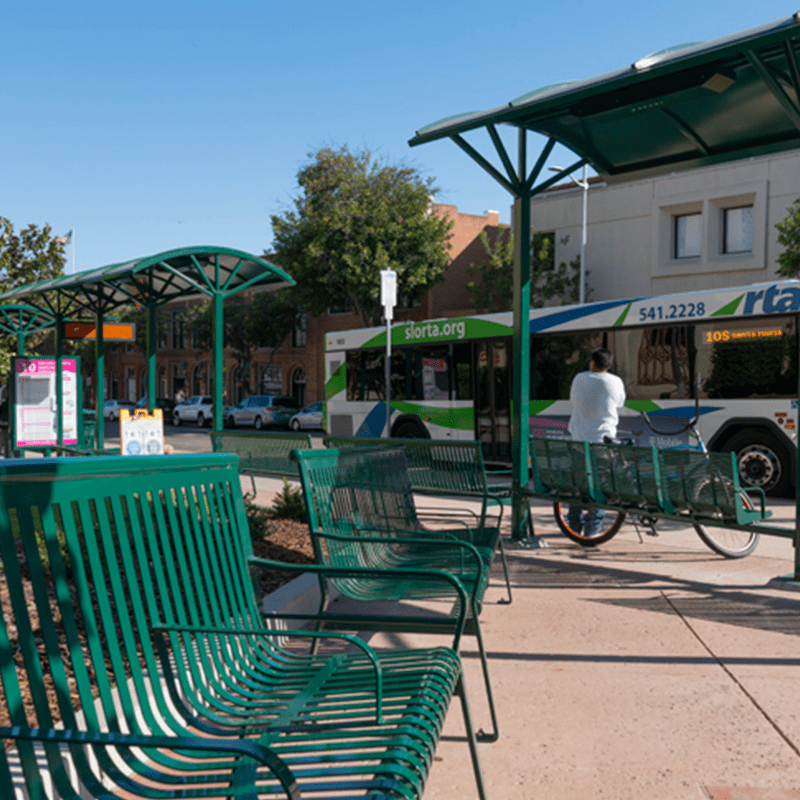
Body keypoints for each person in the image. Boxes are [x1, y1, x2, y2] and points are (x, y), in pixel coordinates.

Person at [567, 348, 626, 537]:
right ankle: (592, 529)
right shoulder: (615, 381)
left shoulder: (579, 379)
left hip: (578, 442)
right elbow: (619, 404)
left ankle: (573, 525)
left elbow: (573, 400)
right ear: (608, 365)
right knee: (601, 484)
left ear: (592, 363)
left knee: (579, 482)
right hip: (602, 443)